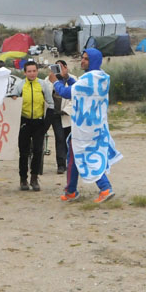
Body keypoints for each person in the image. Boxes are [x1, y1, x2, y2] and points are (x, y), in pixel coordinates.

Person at [53, 49, 121, 203]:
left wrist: (55, 82)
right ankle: (70, 190)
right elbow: (80, 89)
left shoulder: (89, 78)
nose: (82, 61)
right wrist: (67, 78)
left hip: (85, 128)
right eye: (82, 58)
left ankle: (105, 187)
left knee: (86, 157)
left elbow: (66, 93)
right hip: (96, 125)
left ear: (93, 61)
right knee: (74, 155)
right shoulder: (101, 77)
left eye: (86, 59)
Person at [11, 60, 54, 191]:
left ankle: (34, 179)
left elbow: (50, 103)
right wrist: (13, 98)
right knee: (23, 153)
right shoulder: (19, 85)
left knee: (38, 151)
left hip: (39, 122)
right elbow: (12, 100)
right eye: (29, 71)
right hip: (24, 122)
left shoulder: (43, 85)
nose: (32, 73)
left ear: (37, 71)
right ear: (25, 72)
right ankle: (23, 179)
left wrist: (46, 124)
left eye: (34, 71)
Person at [46, 59, 71, 174]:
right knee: (60, 139)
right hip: (55, 114)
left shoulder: (72, 79)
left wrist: (67, 110)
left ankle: (71, 163)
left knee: (69, 139)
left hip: (67, 115)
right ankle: (61, 165)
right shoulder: (48, 80)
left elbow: (75, 97)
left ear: (65, 67)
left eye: (61, 67)